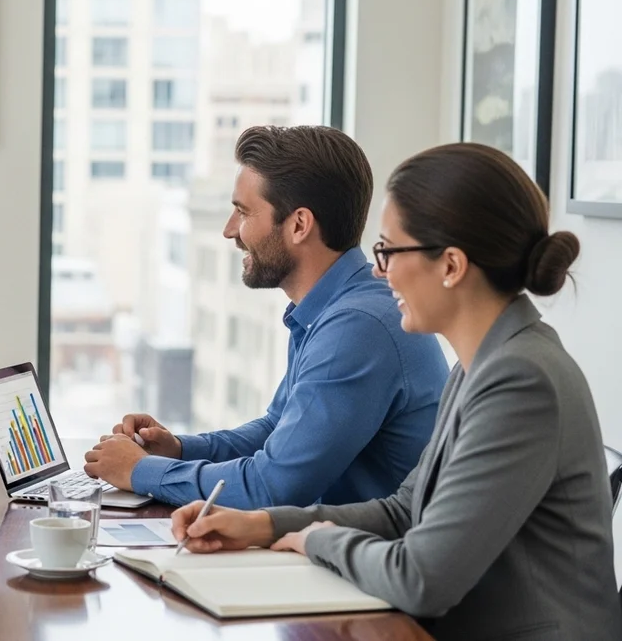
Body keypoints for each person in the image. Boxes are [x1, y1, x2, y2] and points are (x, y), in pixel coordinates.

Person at [171, 143, 622, 640]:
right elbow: (404, 511)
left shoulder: (521, 381)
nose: (379, 271)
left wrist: (320, 541)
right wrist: (262, 525)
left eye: (388, 250)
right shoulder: (482, 366)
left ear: (450, 266)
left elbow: (422, 578)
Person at [85, 126, 449, 508]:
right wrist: (177, 449)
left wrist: (141, 471)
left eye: (242, 212)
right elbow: (278, 430)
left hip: (364, 558)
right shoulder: (333, 309)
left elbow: (273, 485)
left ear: (299, 225)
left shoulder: (358, 327)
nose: (230, 231)